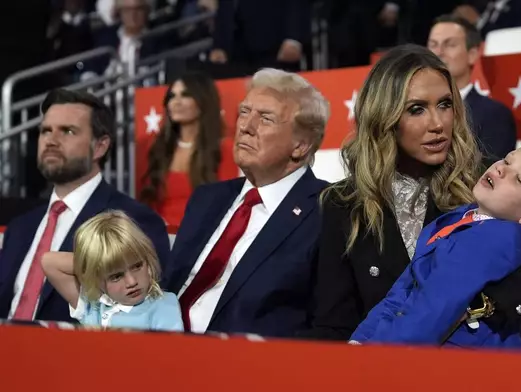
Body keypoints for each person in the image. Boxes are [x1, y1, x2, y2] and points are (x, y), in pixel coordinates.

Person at [303, 44, 521, 351]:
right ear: (384, 118)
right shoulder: (342, 203)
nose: (438, 124)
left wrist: (481, 303)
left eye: (445, 104)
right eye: (417, 109)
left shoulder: (484, 181)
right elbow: (333, 322)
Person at [350, 136, 521, 348]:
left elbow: (435, 309)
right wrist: (360, 340)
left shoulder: (496, 239)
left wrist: (376, 362)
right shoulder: (459, 217)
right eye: (507, 161)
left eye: (519, 180)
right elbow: (401, 293)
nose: (501, 170)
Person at [165, 68, 330, 336]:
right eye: (244, 112)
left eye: (265, 118)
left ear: (300, 145)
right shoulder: (206, 199)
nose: (245, 126)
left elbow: (327, 326)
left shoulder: (329, 211)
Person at [0, 89, 170, 323]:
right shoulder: (20, 228)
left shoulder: (134, 221)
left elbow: (142, 319)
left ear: (100, 146)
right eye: (46, 131)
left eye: (68, 131)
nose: (51, 140)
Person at [41, 211, 183, 331]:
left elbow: (170, 356)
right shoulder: (93, 304)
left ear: (148, 260)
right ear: (97, 278)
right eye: (116, 276)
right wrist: (94, 264)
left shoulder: (162, 305)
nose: (132, 282)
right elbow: (49, 262)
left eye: (137, 266)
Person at [428, 15, 516, 166]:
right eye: (433, 45)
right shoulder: (411, 108)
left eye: (449, 45)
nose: (438, 52)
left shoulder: (494, 114)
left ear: (472, 55)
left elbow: (488, 174)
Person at [140, 71, 224, 227]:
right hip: (160, 239)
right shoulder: (158, 148)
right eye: (172, 96)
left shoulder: (224, 150)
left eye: (185, 95)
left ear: (203, 101)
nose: (176, 102)